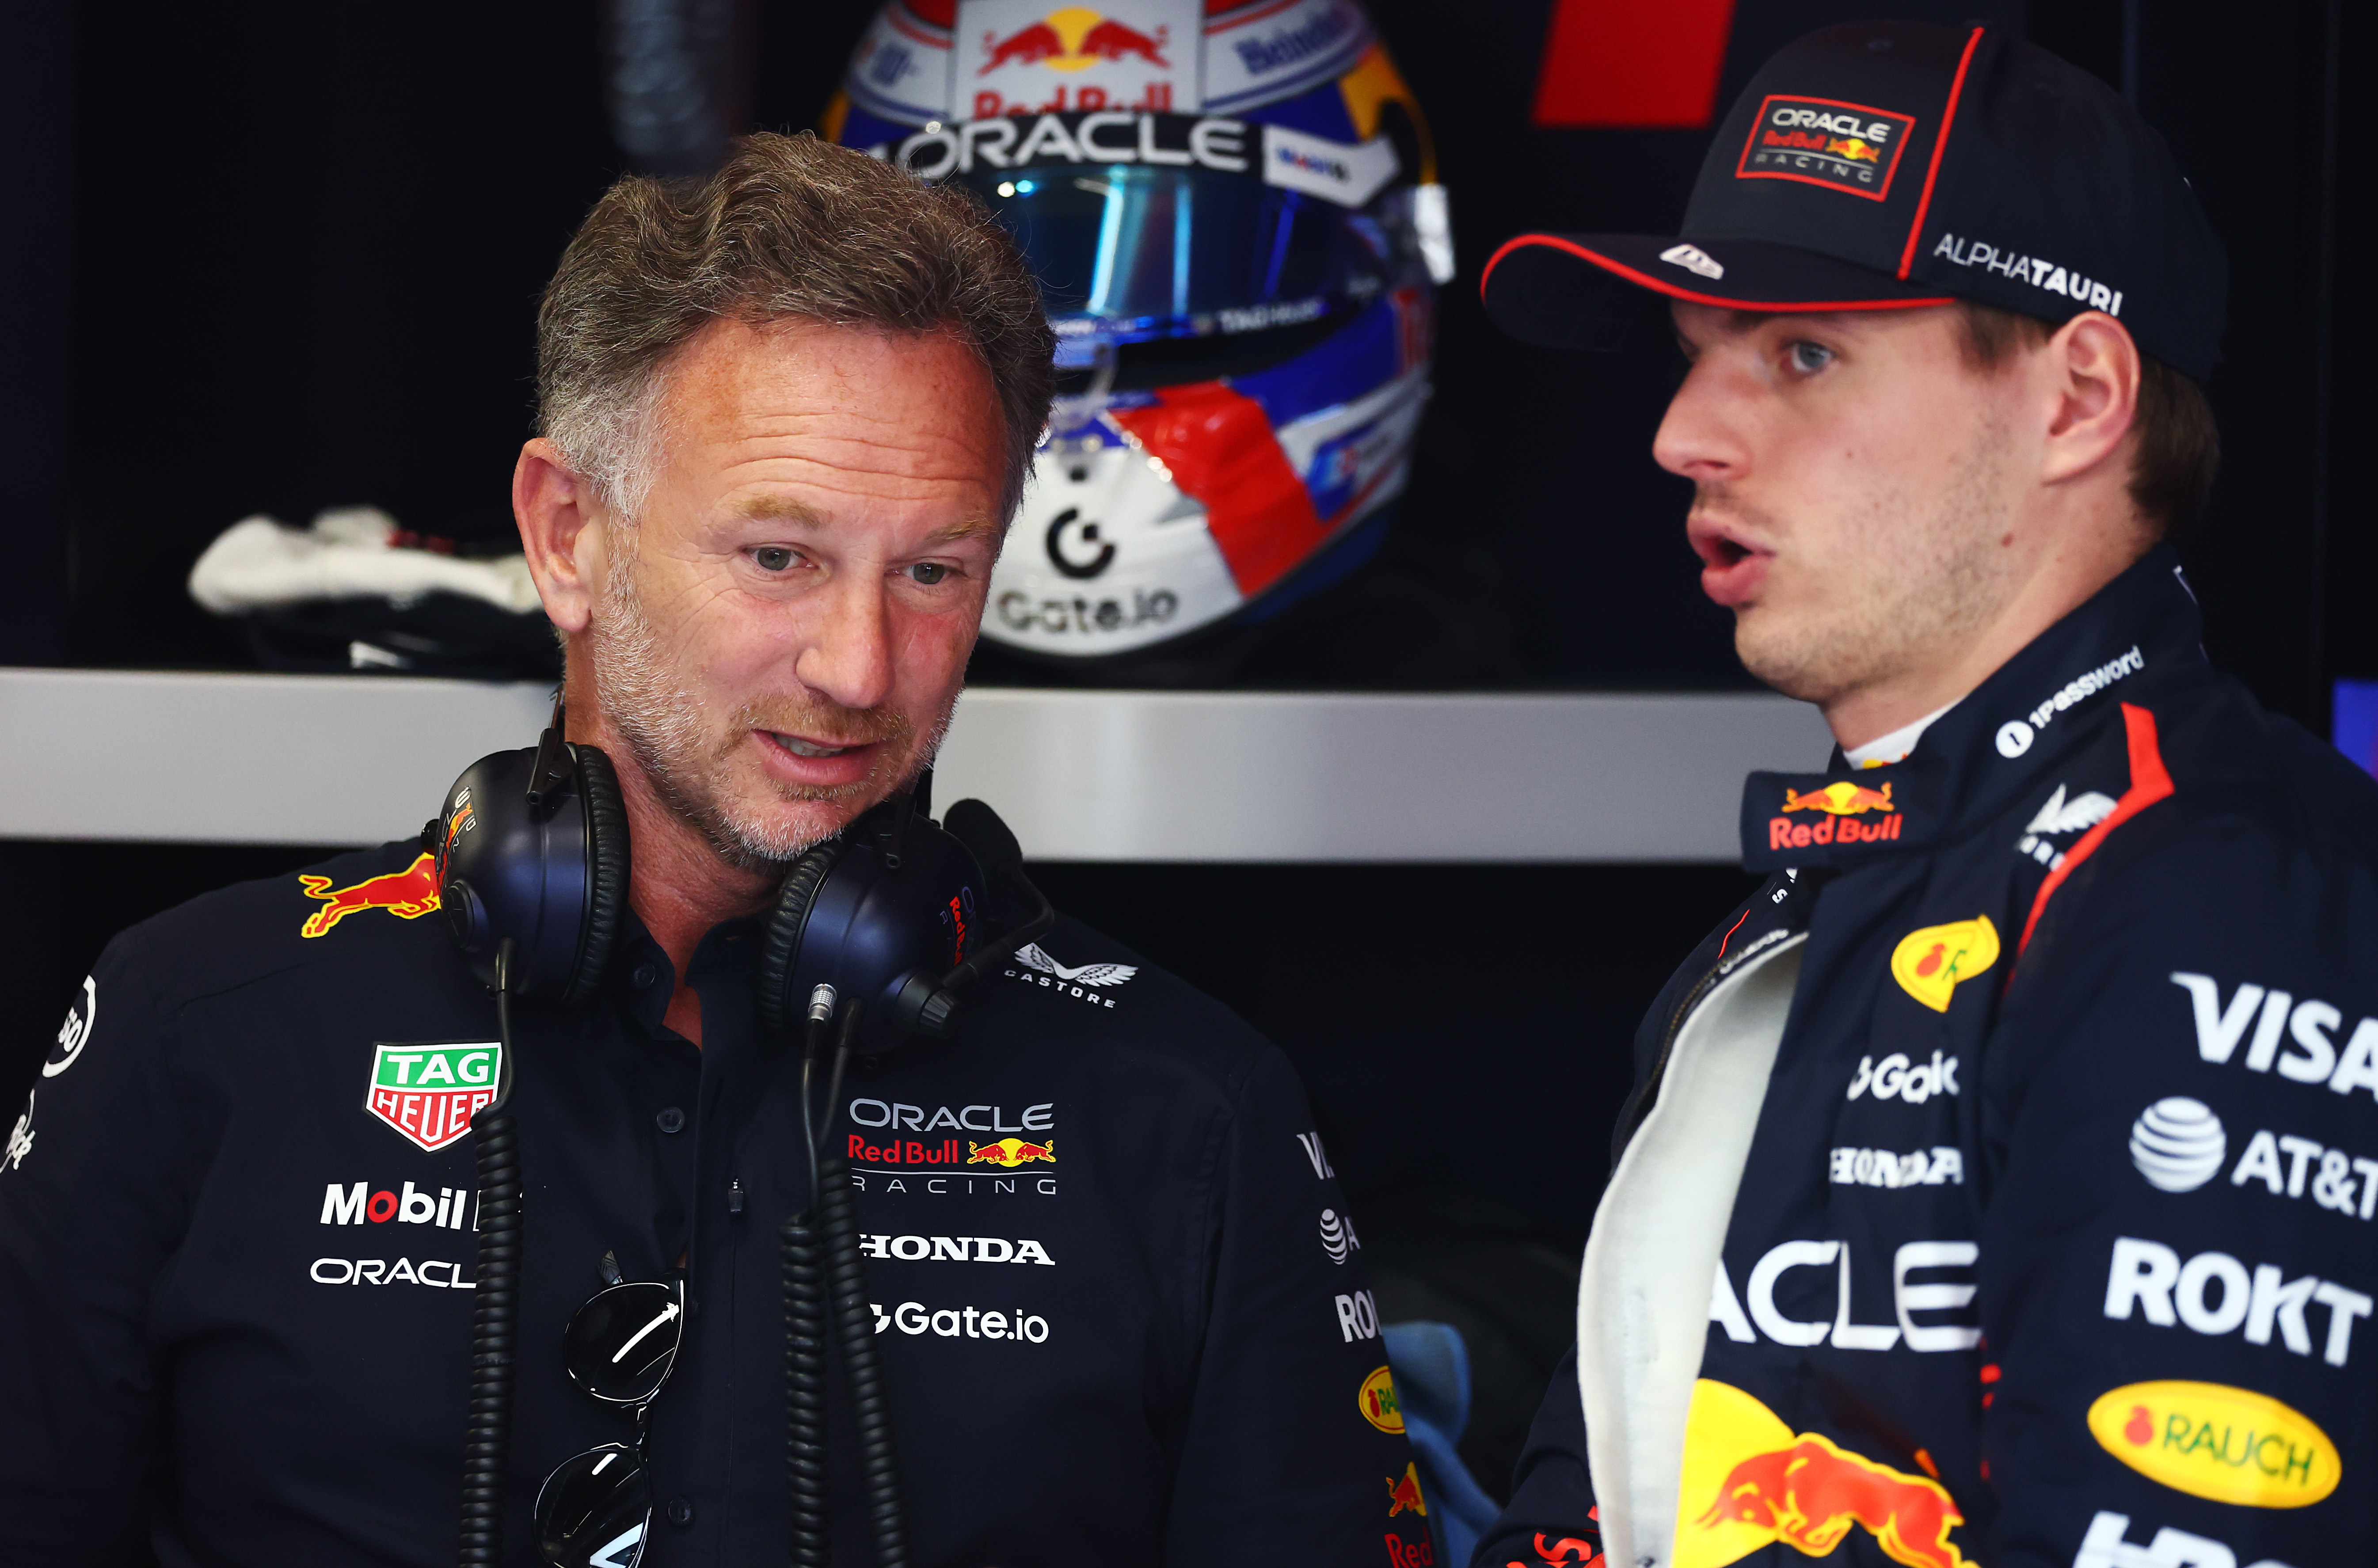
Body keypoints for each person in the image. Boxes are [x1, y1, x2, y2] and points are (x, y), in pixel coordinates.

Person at [0, 132, 1425, 1567]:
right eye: (779, 557)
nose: (860, 666)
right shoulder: (198, 1029)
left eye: (933, 570)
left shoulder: (1188, 1108)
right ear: (568, 535)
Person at [1476, 20, 2374, 1568]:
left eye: (1803, 354)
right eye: (1695, 357)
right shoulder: (1825, 894)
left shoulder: (2208, 887)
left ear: (2076, 397)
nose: (1683, 436)